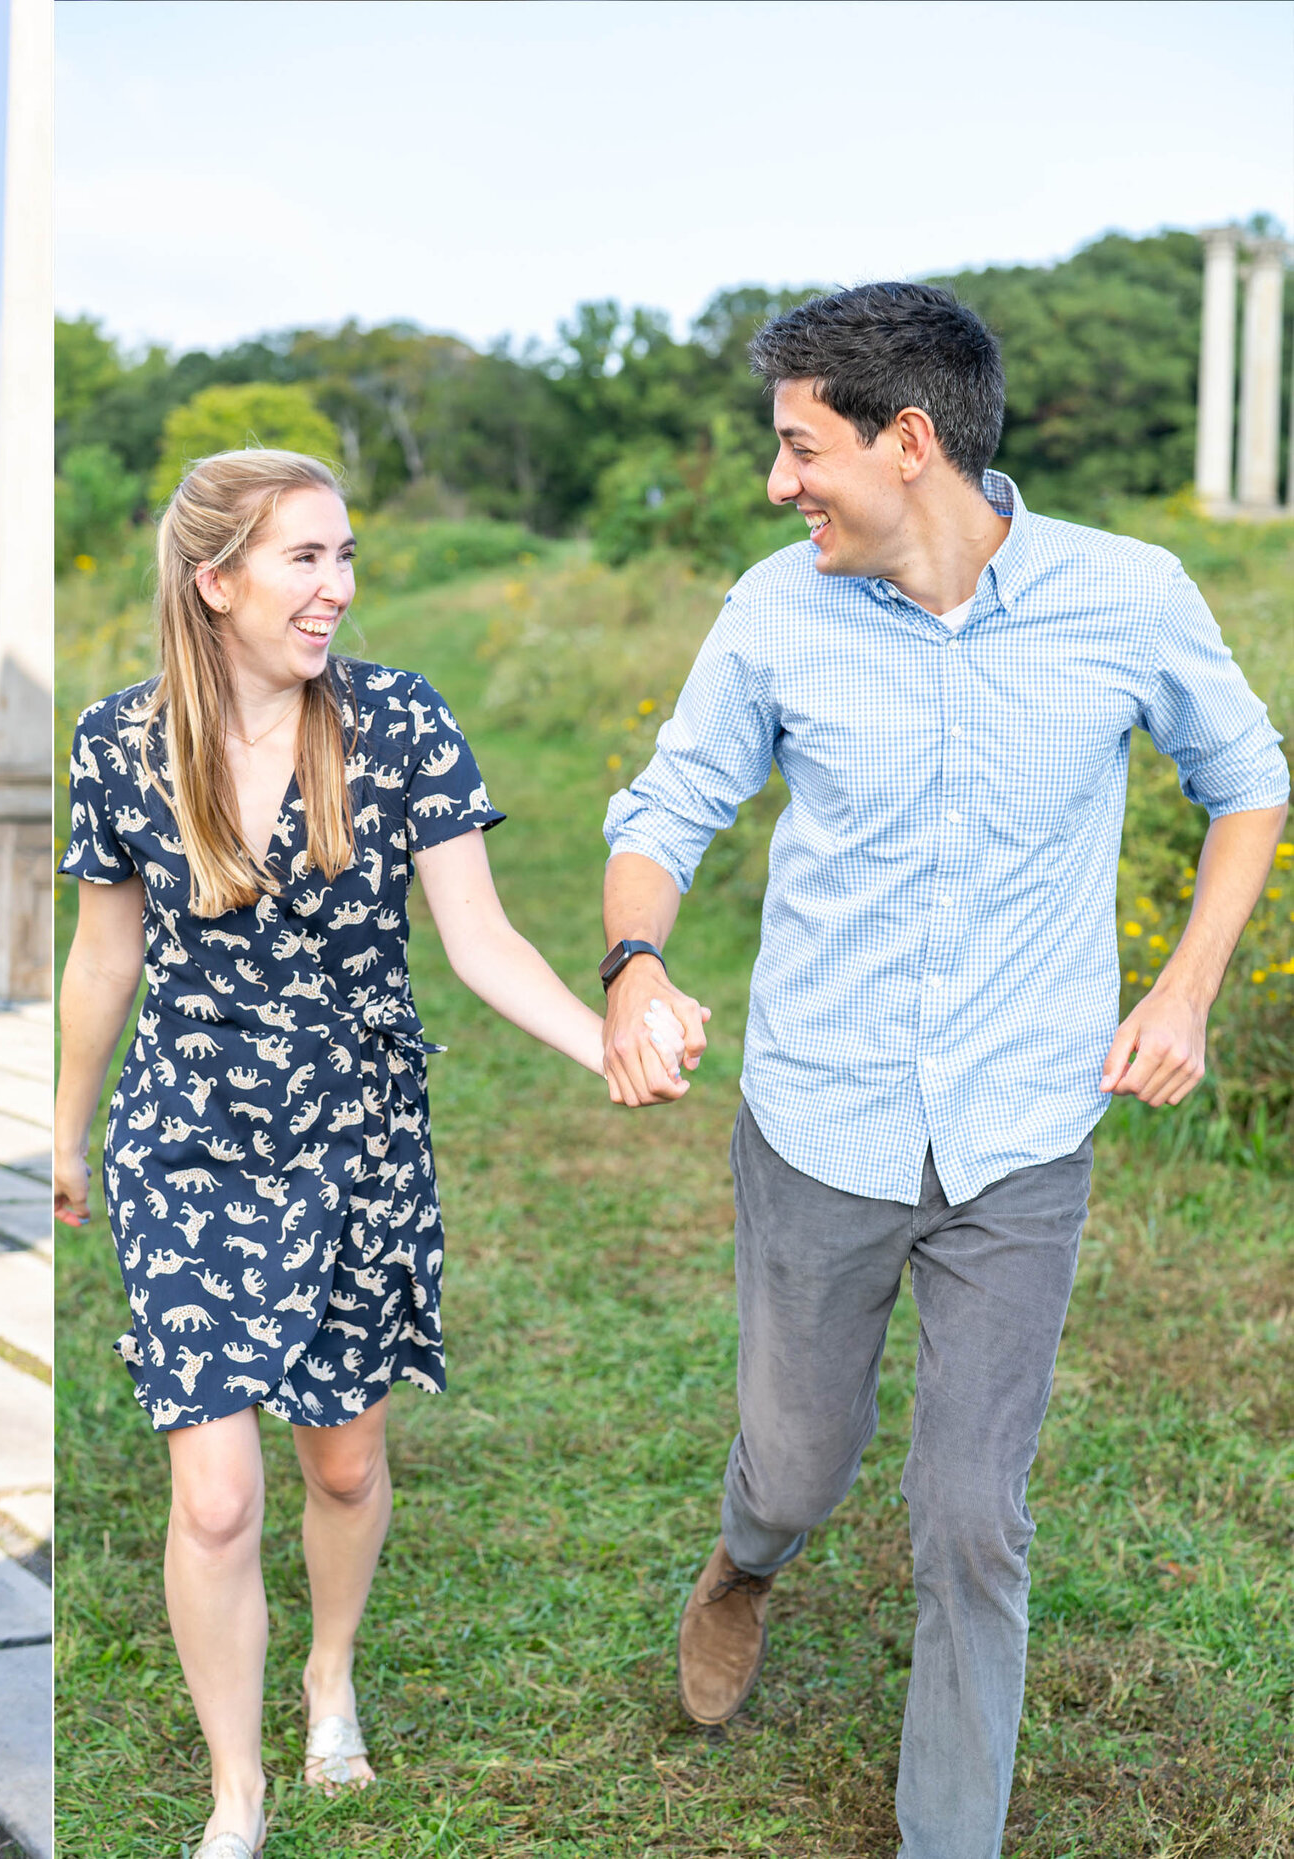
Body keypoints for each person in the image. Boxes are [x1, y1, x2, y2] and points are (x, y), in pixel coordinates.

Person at [600, 283, 1288, 1858]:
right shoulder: (778, 609)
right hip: (821, 1115)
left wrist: (1185, 990)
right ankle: (746, 1555)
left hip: (1023, 1126)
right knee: (797, 1458)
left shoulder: (1130, 593)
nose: (779, 484)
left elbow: (1247, 779)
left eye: (799, 446)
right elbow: (667, 805)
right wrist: (637, 964)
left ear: (908, 443)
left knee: (974, 1516)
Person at [54, 449, 615, 1859]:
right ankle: (236, 1789)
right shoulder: (120, 744)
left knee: (346, 1464)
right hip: (184, 1136)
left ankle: (328, 1674)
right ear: (218, 578)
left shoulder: (398, 723)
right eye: (307, 558)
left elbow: (481, 937)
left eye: (344, 555)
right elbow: (104, 954)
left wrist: (598, 1036)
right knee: (217, 1486)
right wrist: (63, 1134)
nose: (339, 589)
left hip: (359, 1135)